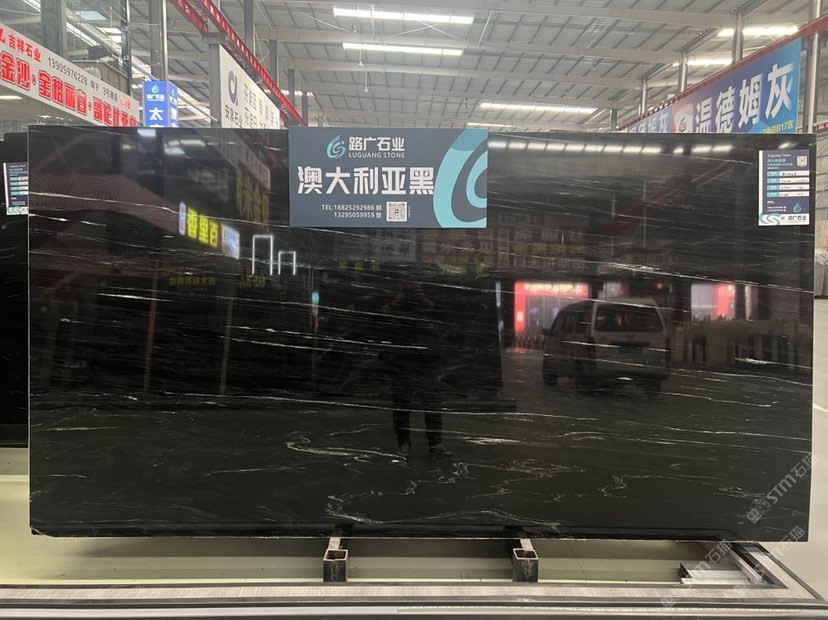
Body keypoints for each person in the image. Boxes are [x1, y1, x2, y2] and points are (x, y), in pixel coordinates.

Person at [381, 279, 449, 457]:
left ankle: (435, 443)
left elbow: (443, 315)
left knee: (431, 402)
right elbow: (381, 316)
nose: (410, 287)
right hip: (401, 357)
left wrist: (423, 299)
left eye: (413, 284)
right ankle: (403, 442)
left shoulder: (431, 291)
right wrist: (397, 300)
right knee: (402, 403)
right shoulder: (391, 295)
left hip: (427, 357)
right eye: (406, 283)